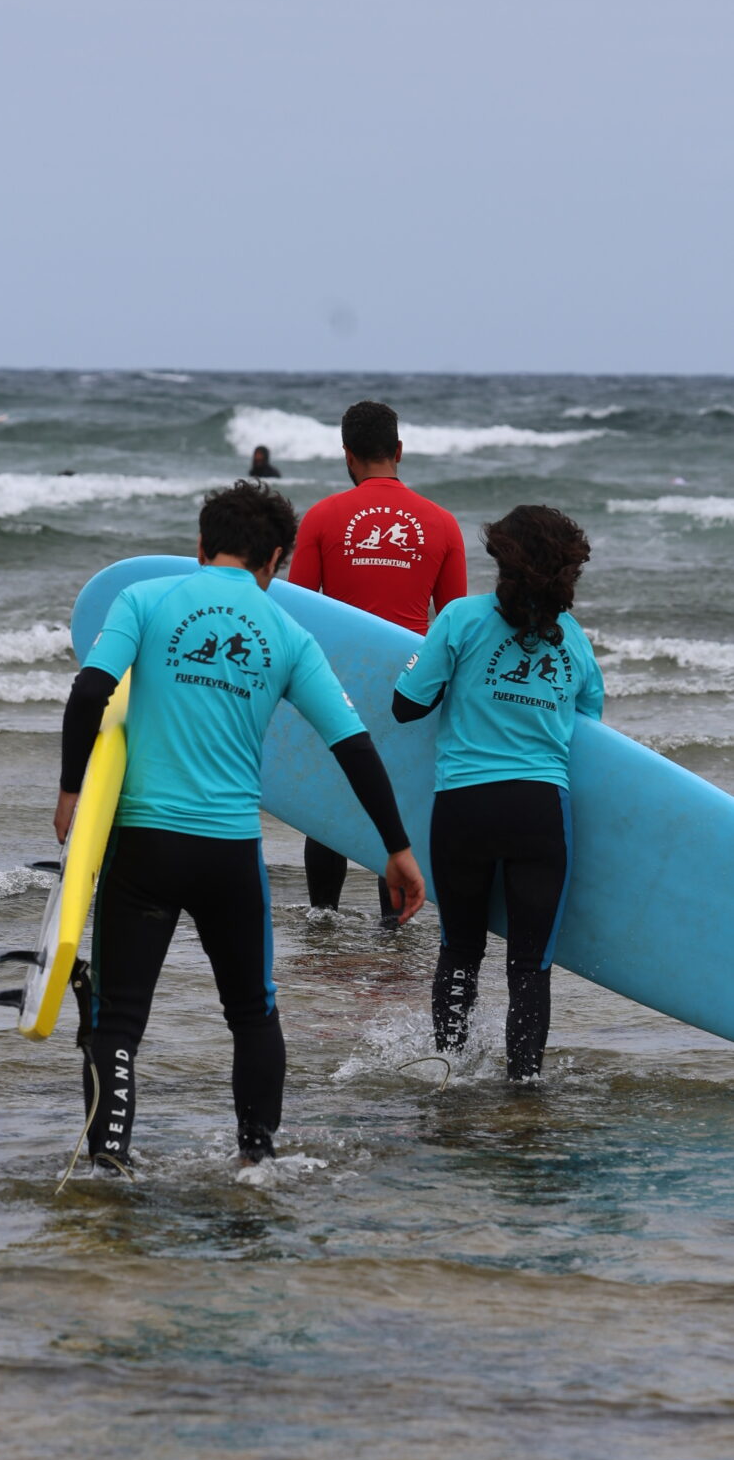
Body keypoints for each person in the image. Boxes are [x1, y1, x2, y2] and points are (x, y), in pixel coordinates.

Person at [57, 481, 425, 1175]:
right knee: (251, 1012)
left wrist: (71, 788)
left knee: (116, 1019)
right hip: (228, 852)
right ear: (277, 559)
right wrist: (395, 849)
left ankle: (109, 1161)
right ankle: (257, 1160)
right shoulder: (288, 634)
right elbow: (353, 746)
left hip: (142, 846)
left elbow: (89, 691)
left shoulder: (145, 600)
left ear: (200, 545)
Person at [393, 505, 602, 1082]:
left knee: (461, 948)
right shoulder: (577, 643)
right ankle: (524, 1088)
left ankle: (452, 1074)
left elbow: (406, 705)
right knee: (530, 965)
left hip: (464, 807)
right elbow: (592, 736)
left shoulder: (460, 619)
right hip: (539, 811)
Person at [291, 398, 467, 918]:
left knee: (329, 807)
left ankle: (323, 925)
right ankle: (392, 936)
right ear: (399, 450)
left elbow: (300, 614)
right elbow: (453, 626)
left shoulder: (322, 518)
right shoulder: (441, 524)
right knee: (392, 814)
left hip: (334, 685)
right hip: (408, 692)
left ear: (347, 455)